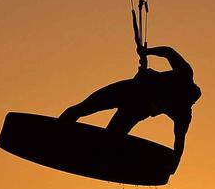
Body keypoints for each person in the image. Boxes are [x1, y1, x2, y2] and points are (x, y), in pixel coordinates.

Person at [59, 18, 200, 172]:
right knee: (84, 108)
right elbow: (169, 52)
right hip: (130, 90)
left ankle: (96, 156)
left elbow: (179, 142)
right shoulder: (185, 75)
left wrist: (173, 166)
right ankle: (56, 133)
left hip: (136, 108)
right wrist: (147, 51)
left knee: (109, 136)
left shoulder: (183, 112)